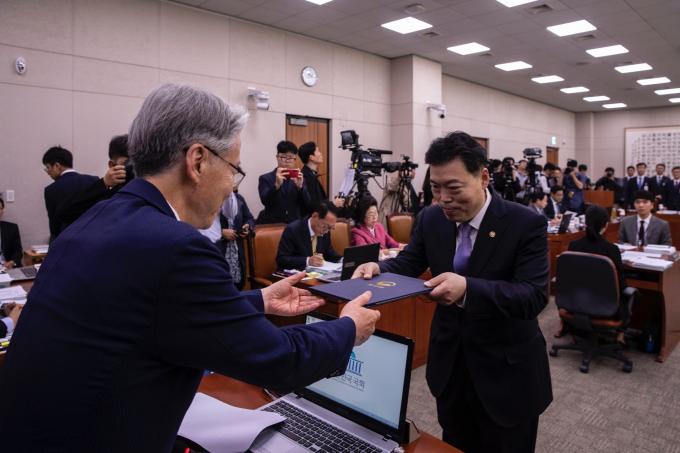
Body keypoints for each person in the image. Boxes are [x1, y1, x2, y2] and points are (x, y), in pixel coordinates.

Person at [0, 84, 381, 452]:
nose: (231, 186)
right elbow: (279, 361)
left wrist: (258, 300)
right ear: (197, 161)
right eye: (233, 169)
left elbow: (150, 309)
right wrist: (348, 328)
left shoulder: (96, 218)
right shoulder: (176, 247)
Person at [353, 131, 552, 453]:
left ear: (483, 177)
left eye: (454, 188)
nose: (444, 198)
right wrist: (379, 268)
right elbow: (409, 262)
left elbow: (533, 296)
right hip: (451, 368)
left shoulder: (524, 223)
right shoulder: (431, 218)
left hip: (507, 375)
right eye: (436, 188)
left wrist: (467, 289)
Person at [56, 134, 133, 227]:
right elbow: (66, 214)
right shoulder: (104, 192)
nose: (134, 168)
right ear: (112, 165)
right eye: (127, 163)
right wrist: (103, 183)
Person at [568, 206, 628, 322]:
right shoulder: (612, 250)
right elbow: (621, 284)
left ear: (586, 223)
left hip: (576, 302)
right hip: (606, 305)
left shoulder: (573, 245)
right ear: (605, 225)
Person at [42, 146, 101, 241]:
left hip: (67, 240)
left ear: (57, 165)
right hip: (94, 238)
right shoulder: (94, 180)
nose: (48, 172)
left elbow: (54, 227)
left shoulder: (51, 190)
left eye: (48, 167)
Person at [199, 188, 254, 291]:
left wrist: (248, 226)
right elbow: (201, 226)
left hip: (237, 253)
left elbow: (249, 218)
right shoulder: (211, 200)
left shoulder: (238, 199)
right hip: (219, 251)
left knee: (238, 285)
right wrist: (222, 232)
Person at [276, 200, 342, 271]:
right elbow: (282, 259)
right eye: (324, 226)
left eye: (331, 228)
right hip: (295, 274)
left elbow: (329, 253)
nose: (326, 231)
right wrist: (308, 261)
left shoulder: (326, 231)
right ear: (315, 216)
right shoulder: (293, 229)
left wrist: (343, 260)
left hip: (317, 274)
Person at [256, 141, 310, 224]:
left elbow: (307, 203)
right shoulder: (265, 178)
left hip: (294, 224)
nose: (287, 161)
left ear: (295, 159)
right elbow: (265, 201)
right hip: (273, 224)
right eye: (284, 157)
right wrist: (276, 186)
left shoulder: (299, 178)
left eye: (291, 157)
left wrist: (300, 188)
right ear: (277, 157)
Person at [298, 141, 344, 216]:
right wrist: (333, 203)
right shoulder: (306, 176)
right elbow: (313, 204)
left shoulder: (310, 174)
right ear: (311, 157)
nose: (321, 154)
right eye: (317, 151)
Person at [0, 198, 23, 270]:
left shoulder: (12, 228)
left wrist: (12, 262)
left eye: (0, 208)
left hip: (8, 268)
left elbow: (18, 251)